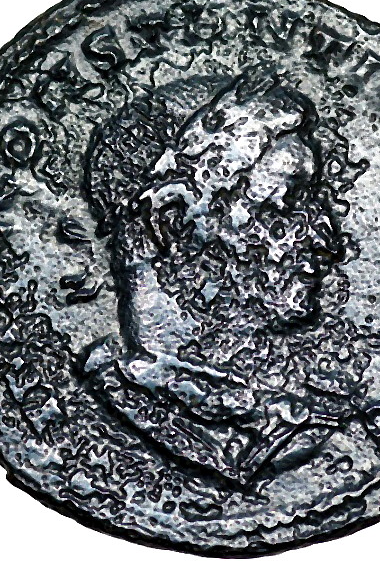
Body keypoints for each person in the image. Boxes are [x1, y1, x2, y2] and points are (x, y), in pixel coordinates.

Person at [81, 70, 363, 483]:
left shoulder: (278, 415)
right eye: (287, 204)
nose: (327, 242)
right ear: (174, 222)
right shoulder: (138, 402)